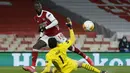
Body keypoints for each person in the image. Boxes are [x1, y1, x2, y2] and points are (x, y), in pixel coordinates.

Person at [23, 1, 93, 73]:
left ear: (41, 6)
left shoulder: (47, 14)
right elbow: (41, 28)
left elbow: (56, 22)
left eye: (40, 6)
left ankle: (86, 57)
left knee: (70, 47)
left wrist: (46, 28)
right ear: (35, 8)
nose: (39, 8)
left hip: (56, 34)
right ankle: (32, 67)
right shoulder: (36, 18)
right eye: (37, 7)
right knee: (35, 47)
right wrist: (40, 36)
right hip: (47, 35)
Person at [41, 18, 107, 73]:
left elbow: (47, 69)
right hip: (70, 64)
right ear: (56, 43)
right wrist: (70, 28)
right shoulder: (62, 46)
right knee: (82, 64)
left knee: (51, 70)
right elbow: (72, 39)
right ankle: (100, 72)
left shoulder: (48, 55)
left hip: (62, 71)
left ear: (49, 46)